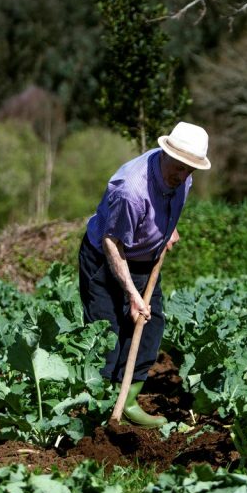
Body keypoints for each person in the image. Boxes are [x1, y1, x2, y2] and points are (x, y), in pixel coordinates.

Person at [78, 121, 211, 427]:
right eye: (178, 167)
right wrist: (132, 293)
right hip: (106, 257)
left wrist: (166, 226)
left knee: (151, 326)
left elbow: (165, 204)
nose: (182, 175)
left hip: (146, 257)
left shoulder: (183, 177)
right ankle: (103, 405)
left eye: (189, 170)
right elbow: (112, 243)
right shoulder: (131, 190)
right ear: (165, 153)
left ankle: (129, 399)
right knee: (107, 330)